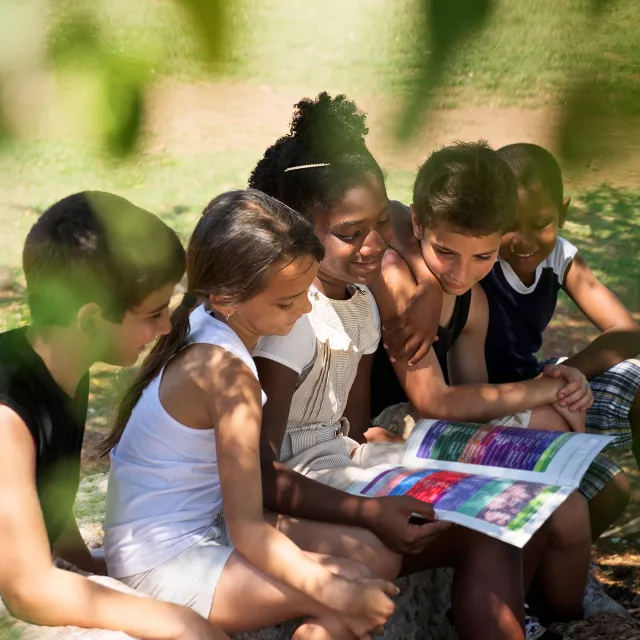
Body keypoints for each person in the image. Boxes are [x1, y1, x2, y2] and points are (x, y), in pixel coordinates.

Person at [249, 92, 595, 640]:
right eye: (350, 234)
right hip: (304, 488)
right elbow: (261, 473)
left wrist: (383, 444)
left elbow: (351, 425)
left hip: (347, 463)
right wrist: (366, 509)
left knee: (498, 522)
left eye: (380, 226)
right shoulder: (288, 322)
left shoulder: (360, 301)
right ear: (292, 227)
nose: (374, 247)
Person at [101, 189, 398, 640]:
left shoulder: (203, 319)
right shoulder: (228, 377)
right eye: (287, 302)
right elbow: (249, 532)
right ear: (226, 296)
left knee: (370, 556)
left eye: (305, 293)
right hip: (163, 564)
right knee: (349, 585)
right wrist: (340, 596)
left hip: (184, 534)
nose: (303, 310)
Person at [0, 191, 228, 639]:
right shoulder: (7, 419)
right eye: (153, 313)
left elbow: (47, 503)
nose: (165, 327)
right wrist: (175, 621)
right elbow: (27, 589)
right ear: (89, 321)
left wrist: (100, 573)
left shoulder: (64, 367)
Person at [483, 143, 640, 470]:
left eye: (540, 224)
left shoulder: (560, 257)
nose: (524, 241)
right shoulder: (479, 259)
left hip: (534, 377)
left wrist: (557, 377)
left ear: (563, 213)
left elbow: (626, 332)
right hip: (481, 397)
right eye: (509, 225)